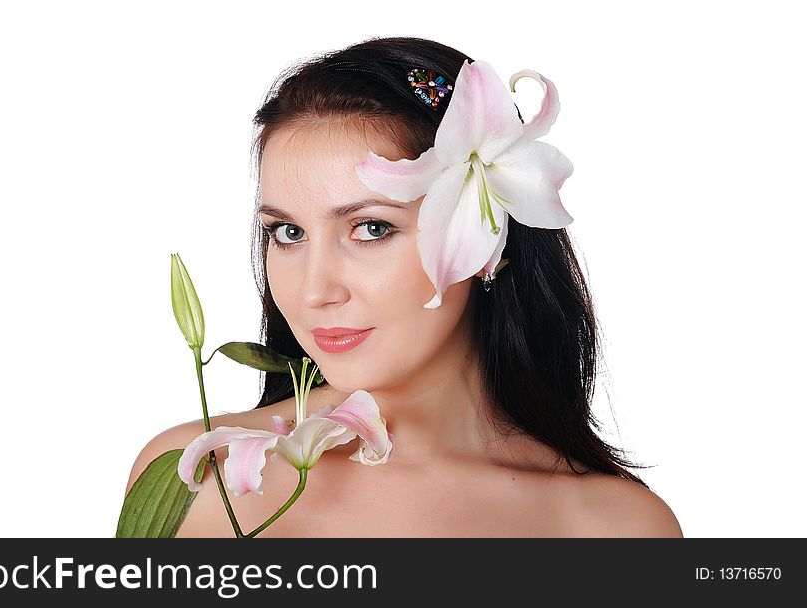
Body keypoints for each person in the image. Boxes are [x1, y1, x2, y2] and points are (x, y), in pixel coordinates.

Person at [126, 36, 683, 537]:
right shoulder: (196, 472)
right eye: (288, 233)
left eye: (371, 228)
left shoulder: (616, 530)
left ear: (485, 237)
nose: (314, 291)